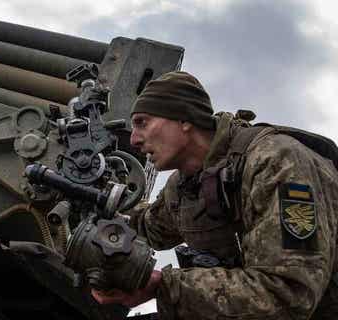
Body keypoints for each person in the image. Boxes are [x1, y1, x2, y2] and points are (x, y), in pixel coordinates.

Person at [91, 71, 338, 319]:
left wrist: (164, 286)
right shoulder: (185, 185)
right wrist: (90, 197)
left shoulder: (276, 162)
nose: (133, 139)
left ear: (184, 119)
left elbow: (288, 295)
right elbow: (146, 226)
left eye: (142, 123)